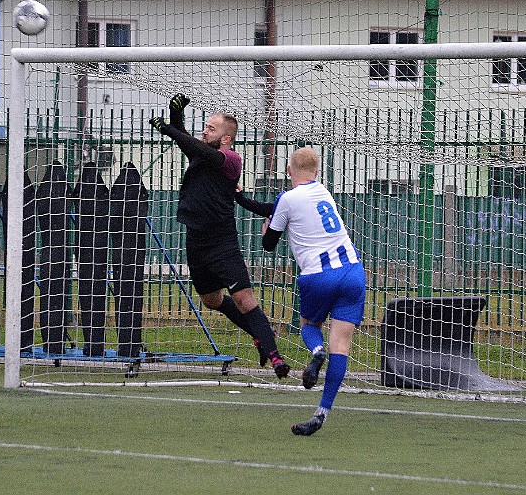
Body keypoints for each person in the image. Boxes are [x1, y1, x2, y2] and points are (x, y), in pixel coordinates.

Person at [149, 94, 289, 378]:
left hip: (222, 243)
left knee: (245, 300)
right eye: (205, 127)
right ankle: (262, 332)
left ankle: (275, 357)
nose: (205, 131)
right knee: (212, 301)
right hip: (196, 242)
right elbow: (186, 142)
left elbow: (194, 146)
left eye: (211, 128)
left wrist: (169, 127)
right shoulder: (201, 154)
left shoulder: (230, 158)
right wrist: (176, 117)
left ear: (226, 139)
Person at [237, 147, 366, 436]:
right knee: (342, 345)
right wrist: (242, 199)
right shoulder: (323, 192)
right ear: (317, 172)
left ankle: (316, 351)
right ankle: (321, 414)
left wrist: (265, 229)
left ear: (287, 170)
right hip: (353, 271)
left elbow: (269, 242)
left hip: (319, 276)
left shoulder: (288, 198)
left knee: (310, 327)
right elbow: (276, 206)